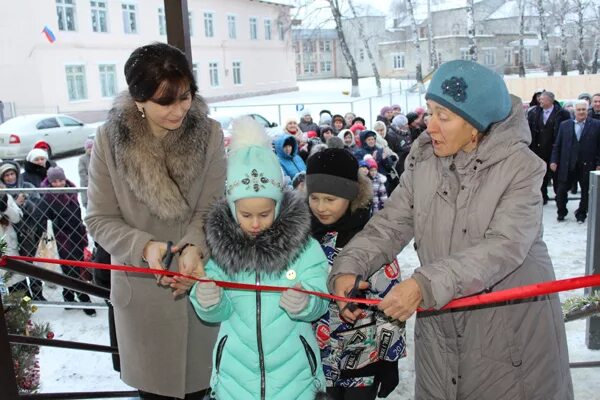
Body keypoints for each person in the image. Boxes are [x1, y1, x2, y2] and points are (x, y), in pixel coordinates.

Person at [330, 60, 573, 399]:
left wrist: (423, 285)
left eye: (443, 116)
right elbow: (391, 223)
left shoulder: (521, 168)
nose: (430, 126)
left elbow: (504, 246)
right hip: (441, 329)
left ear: (477, 124)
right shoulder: (424, 160)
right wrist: (348, 266)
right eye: (430, 112)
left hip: (507, 333)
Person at [85, 42, 226, 399]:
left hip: (199, 282)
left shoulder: (209, 134)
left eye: (185, 97)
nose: (178, 110)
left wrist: (194, 248)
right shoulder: (109, 139)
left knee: (205, 385)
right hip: (143, 294)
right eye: (165, 102)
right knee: (154, 391)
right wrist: (144, 247)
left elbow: (213, 206)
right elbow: (100, 218)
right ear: (138, 99)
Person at [190, 117, 329, 400]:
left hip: (296, 378)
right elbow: (220, 312)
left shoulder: (304, 248)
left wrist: (307, 301)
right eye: (246, 215)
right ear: (231, 208)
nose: (255, 223)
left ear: (278, 204)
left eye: (264, 214)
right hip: (235, 379)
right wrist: (207, 300)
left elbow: (321, 299)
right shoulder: (220, 249)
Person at [306, 148, 406, 400]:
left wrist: (388, 360)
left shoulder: (371, 239)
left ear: (350, 196)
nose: (320, 207)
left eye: (330, 199)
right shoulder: (302, 237)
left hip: (363, 360)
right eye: (314, 198)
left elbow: (390, 301)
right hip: (313, 360)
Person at [39, 167, 95, 316]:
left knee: (76, 267)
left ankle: (68, 295)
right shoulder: (47, 197)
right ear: (50, 183)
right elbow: (44, 218)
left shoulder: (71, 191)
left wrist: (82, 231)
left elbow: (76, 214)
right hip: (62, 238)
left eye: (61, 180)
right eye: (55, 181)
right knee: (72, 269)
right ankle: (84, 300)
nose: (59, 183)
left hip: (76, 234)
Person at [0, 160, 45, 300]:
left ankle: (26, 307)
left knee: (18, 280)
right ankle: (15, 310)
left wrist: (5, 208)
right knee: (8, 282)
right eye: (6, 175)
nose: (10, 178)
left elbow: (17, 217)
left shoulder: (5, 196)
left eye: (12, 174)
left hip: (11, 242)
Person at [550, 100, 600, 223]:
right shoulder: (565, 125)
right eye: (579, 109)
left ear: (587, 111)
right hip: (567, 164)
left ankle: (581, 214)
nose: (581, 112)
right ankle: (561, 211)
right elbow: (557, 145)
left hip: (587, 164)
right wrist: (554, 160)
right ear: (574, 111)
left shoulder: (596, 125)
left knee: (586, 192)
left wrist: (599, 164)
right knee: (561, 191)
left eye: (584, 109)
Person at [527, 90, 571, 204]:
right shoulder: (534, 112)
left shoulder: (563, 114)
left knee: (558, 178)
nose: (539, 101)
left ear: (549, 100)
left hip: (556, 151)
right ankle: (543, 197)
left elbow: (567, 133)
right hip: (539, 150)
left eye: (542, 99)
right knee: (541, 176)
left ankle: (560, 200)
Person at [78, 138, 94, 208]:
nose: (90, 149)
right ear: (85, 149)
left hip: (97, 183)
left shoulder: (97, 157)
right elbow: (82, 173)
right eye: (88, 147)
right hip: (86, 184)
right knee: (88, 202)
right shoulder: (82, 159)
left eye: (92, 147)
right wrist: (91, 180)